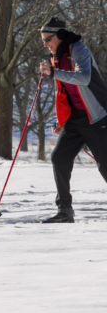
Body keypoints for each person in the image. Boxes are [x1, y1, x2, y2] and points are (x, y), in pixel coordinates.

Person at [39, 17, 107, 223]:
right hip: (75, 120)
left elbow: (84, 78)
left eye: (48, 39)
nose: (45, 44)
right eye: (42, 40)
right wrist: (61, 120)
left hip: (97, 117)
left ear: (60, 36)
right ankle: (65, 211)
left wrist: (54, 73)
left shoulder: (78, 50)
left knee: (105, 165)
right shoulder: (56, 57)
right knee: (59, 158)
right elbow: (64, 92)